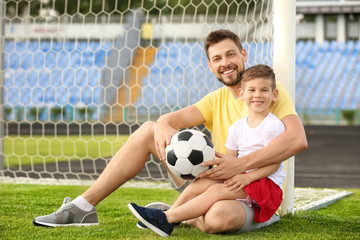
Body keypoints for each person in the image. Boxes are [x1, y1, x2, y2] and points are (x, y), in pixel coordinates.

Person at [33, 29, 307, 233]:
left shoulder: (266, 94)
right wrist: (164, 124)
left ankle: (177, 215)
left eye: (231, 54)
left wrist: (239, 166)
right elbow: (169, 119)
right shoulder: (214, 100)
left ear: (243, 55)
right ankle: (82, 207)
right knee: (149, 129)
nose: (226, 62)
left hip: (249, 189)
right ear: (210, 65)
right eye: (217, 58)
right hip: (211, 181)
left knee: (218, 219)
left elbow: (297, 139)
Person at [128, 64, 287, 237]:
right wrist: (211, 173)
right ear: (242, 94)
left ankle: (167, 219)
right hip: (242, 180)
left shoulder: (273, 126)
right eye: (252, 90)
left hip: (265, 185)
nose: (257, 95)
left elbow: (274, 164)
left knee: (215, 191)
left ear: (274, 95)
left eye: (264, 90)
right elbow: (230, 161)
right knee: (200, 184)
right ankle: (172, 214)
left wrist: (247, 176)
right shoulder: (236, 128)